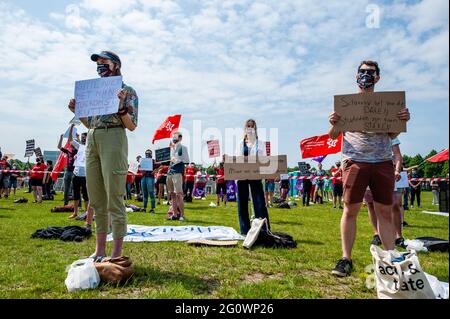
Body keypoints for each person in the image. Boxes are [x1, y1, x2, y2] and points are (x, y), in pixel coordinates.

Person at [328, 60, 410, 277]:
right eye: (362, 72)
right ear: (356, 76)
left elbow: (391, 135)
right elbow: (334, 135)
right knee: (350, 209)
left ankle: (390, 257)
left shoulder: (387, 104)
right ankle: (346, 258)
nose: (366, 76)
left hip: (383, 160)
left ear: (378, 77)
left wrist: (400, 122)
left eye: (370, 72)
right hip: (355, 160)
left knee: (384, 210)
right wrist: (334, 122)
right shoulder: (347, 104)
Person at [68, 50, 138, 260]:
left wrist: (121, 110)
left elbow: (132, 126)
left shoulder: (127, 91)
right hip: (93, 137)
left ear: (115, 65)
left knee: (114, 197)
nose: (100, 66)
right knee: (96, 197)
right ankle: (99, 250)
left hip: (114, 137)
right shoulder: (95, 92)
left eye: (103, 62)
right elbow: (92, 123)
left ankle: (116, 252)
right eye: (97, 63)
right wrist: (78, 112)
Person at [367, 137, 406, 248]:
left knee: (394, 204)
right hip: (367, 169)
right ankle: (377, 234)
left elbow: (397, 154)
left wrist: (397, 170)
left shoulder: (389, 131)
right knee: (370, 204)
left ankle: (398, 236)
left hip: (388, 171)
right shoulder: (362, 130)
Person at [235, 119, 270, 235]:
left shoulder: (260, 143)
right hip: (242, 175)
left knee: (259, 202)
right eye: (248, 126)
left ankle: (263, 229)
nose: (250, 128)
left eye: (252, 126)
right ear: (245, 128)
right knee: (242, 202)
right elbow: (237, 158)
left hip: (256, 174)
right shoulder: (241, 143)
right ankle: (244, 230)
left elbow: (264, 159)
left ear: (255, 128)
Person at [67, 127, 94, 226]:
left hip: (86, 174)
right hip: (76, 173)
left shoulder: (91, 147)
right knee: (76, 194)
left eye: (85, 137)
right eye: (82, 137)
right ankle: (75, 212)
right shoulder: (80, 147)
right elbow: (70, 140)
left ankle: (87, 214)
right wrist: (71, 128)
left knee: (86, 195)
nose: (83, 139)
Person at [166, 132, 189, 221]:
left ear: (180, 138)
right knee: (172, 194)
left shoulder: (183, 148)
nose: (173, 138)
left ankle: (182, 215)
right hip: (170, 172)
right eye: (173, 137)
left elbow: (186, 160)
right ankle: (175, 214)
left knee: (179, 194)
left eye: (175, 137)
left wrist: (176, 160)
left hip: (177, 172)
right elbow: (169, 160)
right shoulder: (171, 148)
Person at [58, 134, 78, 206]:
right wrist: (61, 138)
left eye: (72, 143)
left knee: (76, 189)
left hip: (75, 171)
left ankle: (78, 205)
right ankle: (65, 203)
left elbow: (82, 146)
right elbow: (59, 147)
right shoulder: (68, 151)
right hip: (67, 171)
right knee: (66, 189)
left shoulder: (78, 150)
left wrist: (78, 139)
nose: (71, 144)